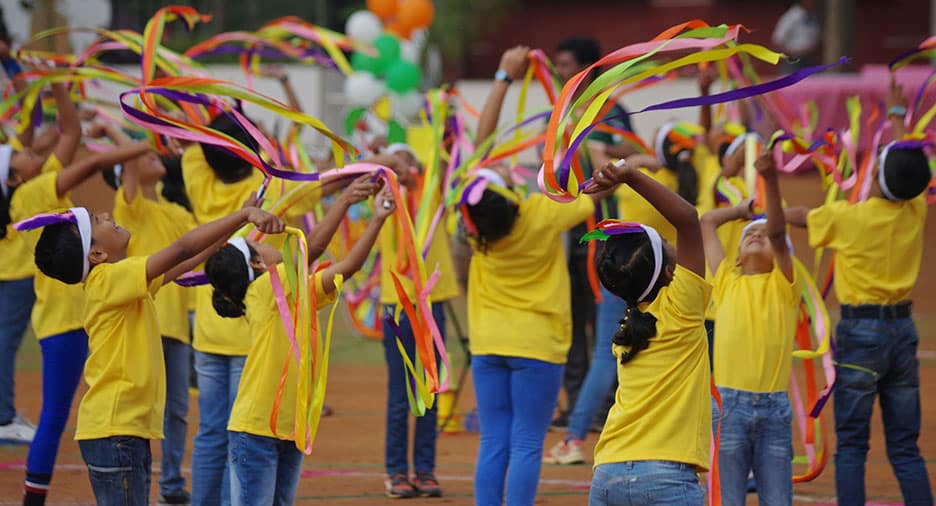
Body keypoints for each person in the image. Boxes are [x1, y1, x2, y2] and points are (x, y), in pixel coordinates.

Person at [18, 196, 283, 505]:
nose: (106, 213)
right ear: (98, 253)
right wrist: (242, 215)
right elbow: (181, 248)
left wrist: (233, 230)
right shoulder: (108, 280)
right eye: (97, 220)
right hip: (115, 431)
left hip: (121, 431)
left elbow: (183, 262)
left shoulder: (120, 281)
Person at [467, 45, 617, 506]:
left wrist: (502, 78)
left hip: (488, 343)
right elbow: (594, 189)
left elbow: (483, 147)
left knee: (493, 442)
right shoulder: (542, 215)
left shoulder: (471, 225)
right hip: (539, 345)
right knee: (528, 444)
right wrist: (576, 131)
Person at [784, 82, 933, 506]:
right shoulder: (914, 210)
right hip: (902, 332)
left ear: (879, 179)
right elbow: (909, 167)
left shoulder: (849, 218)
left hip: (860, 335)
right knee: (905, 447)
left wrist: (764, 207)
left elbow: (800, 217)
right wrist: (900, 117)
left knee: (852, 445)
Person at [206, 180, 394, 506]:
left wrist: (377, 218)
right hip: (256, 431)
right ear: (257, 264)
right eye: (261, 245)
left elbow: (349, 267)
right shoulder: (261, 292)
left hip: (290, 428)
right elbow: (311, 250)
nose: (271, 244)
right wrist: (346, 198)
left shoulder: (293, 293)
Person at [7, 81, 122, 506]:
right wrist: (54, 88)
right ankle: (32, 498)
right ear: (14, 176)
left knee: (63, 413)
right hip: (65, 322)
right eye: (22, 155)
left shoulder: (31, 188)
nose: (32, 152)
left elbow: (64, 133)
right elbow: (72, 138)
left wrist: (53, 90)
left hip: (68, 318)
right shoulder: (37, 191)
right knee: (56, 415)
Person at [582, 157, 712, 505]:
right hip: (666, 477)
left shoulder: (628, 326)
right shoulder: (683, 305)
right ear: (670, 273)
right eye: (666, 245)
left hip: (607, 471)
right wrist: (630, 176)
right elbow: (687, 218)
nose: (675, 244)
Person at [99, 119, 198, 505]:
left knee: (176, 410)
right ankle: (133, 476)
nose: (152, 155)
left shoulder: (176, 210)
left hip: (176, 324)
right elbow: (135, 154)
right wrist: (115, 132)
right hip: (144, 323)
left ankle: (171, 486)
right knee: (142, 410)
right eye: (146, 155)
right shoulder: (131, 207)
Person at [701, 152, 799, 505]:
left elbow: (776, 227)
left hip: (774, 409)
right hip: (729, 408)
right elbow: (707, 222)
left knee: (777, 500)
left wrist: (771, 181)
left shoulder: (786, 284)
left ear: (781, 250)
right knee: (729, 500)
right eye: (748, 234)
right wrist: (741, 210)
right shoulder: (727, 279)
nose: (757, 234)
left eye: (765, 234)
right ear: (737, 256)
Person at [549, 35, 636, 432]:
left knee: (611, 328)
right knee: (574, 322)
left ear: (586, 69)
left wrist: (610, 163)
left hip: (609, 235)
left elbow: (631, 158)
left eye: (566, 65)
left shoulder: (612, 112)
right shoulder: (562, 114)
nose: (559, 72)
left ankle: (606, 407)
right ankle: (577, 402)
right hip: (569, 232)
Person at [375, 143, 458, 499]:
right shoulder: (381, 197)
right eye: (399, 159)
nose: (406, 164)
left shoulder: (431, 194)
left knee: (430, 392)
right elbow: (379, 167)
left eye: (411, 158)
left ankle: (425, 470)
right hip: (397, 305)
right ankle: (396, 472)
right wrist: (392, 164)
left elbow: (444, 160)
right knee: (398, 397)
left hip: (431, 305)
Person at [771, 0, 822, 73]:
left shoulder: (812, 16)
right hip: (792, 61)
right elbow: (777, 41)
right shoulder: (791, 16)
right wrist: (792, 53)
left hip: (808, 60)